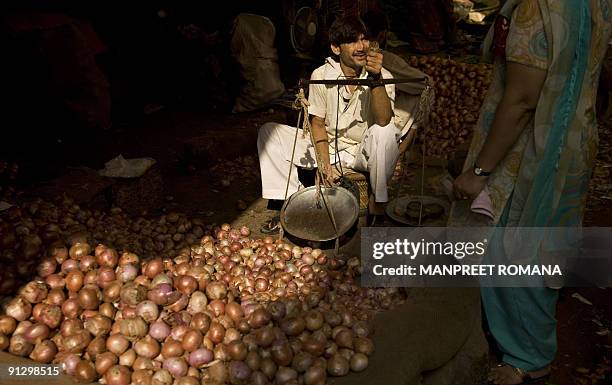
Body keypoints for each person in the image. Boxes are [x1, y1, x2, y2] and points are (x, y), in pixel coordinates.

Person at [448, 0, 612, 384]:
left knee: (511, 245)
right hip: (572, 138)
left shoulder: (538, 8)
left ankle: (528, 356)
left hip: (529, 149)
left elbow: (522, 101)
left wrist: (479, 170)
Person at [257, 15, 399, 233]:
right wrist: (325, 165)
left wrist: (375, 79)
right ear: (335, 48)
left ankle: (378, 206)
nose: (361, 47)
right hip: (329, 147)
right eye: (352, 41)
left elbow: (383, 119)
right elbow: (318, 122)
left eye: (364, 39)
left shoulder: (381, 75)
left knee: (386, 131)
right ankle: (288, 203)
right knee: (270, 132)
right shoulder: (321, 75)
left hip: (364, 151)